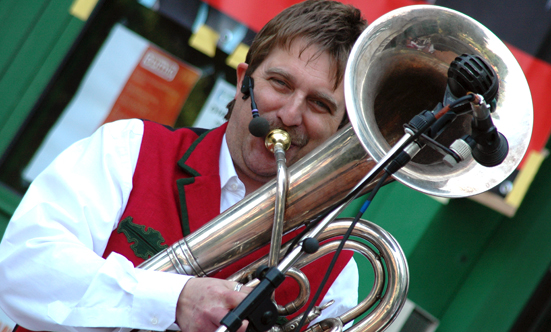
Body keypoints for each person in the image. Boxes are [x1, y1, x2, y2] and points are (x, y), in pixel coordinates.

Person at [0, 1, 367, 331]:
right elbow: (21, 269)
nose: (289, 114)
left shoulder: (334, 264)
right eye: (280, 83)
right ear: (243, 82)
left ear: (339, 130)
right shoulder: (129, 148)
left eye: (319, 104)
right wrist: (176, 299)